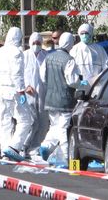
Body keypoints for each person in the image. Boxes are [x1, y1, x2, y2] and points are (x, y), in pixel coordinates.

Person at [0, 27, 33, 162]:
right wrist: (21, 91)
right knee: (25, 120)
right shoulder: (17, 52)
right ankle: (14, 147)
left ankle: (5, 152)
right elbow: (17, 73)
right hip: (13, 90)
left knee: (4, 122)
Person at [39, 32, 81, 167]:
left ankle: (46, 145)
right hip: (65, 101)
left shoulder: (48, 58)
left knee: (55, 126)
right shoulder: (69, 60)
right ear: (70, 43)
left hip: (50, 99)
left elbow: (43, 77)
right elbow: (72, 81)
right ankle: (65, 158)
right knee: (63, 129)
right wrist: (83, 83)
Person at [22, 32, 49, 157]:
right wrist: (25, 87)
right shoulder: (24, 56)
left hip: (43, 93)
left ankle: (35, 147)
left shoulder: (46, 56)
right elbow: (19, 75)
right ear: (29, 43)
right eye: (34, 43)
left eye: (38, 43)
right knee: (32, 122)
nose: (36, 45)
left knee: (43, 123)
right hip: (28, 94)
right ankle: (23, 146)